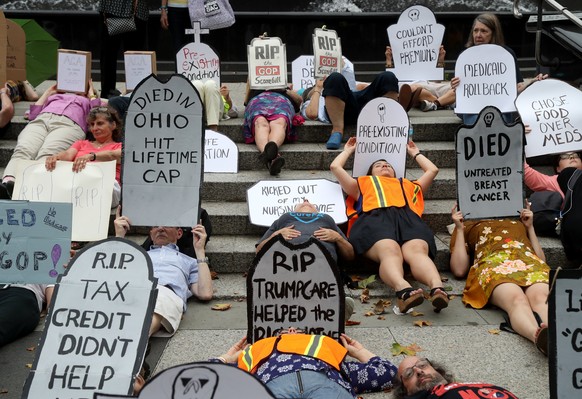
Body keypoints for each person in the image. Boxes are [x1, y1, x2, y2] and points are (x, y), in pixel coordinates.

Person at [330, 137, 448, 313]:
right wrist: (348, 150)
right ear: (370, 173)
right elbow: (335, 167)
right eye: (378, 165)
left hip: (408, 220)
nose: (384, 166)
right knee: (389, 250)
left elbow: (432, 169)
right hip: (375, 220)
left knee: (417, 251)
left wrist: (415, 153)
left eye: (388, 165)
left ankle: (437, 289)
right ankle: (404, 290)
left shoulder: (409, 185)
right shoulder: (362, 184)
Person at [449, 204, 549, 354]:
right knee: (517, 299)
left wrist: (530, 227)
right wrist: (459, 228)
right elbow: (459, 269)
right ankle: (537, 337)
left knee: (541, 297)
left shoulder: (518, 217)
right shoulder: (468, 221)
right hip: (493, 264)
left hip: (528, 261)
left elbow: (541, 259)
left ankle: (555, 336)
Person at [214, 328, 397, 398]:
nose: (292, 329)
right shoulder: (258, 354)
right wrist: (228, 357)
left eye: (299, 330)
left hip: (324, 381)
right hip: (273, 386)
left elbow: (389, 373)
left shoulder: (334, 361)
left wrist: (360, 352)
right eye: (284, 330)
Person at [114, 214, 213, 336]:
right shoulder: (136, 256)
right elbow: (115, 276)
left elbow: (205, 293)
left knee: (159, 302)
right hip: (134, 290)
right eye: (155, 225)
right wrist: (119, 237)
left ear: (179, 233)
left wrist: (200, 250)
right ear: (151, 234)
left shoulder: (189, 261)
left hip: (165, 293)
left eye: (167, 225)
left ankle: (136, 341)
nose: (160, 228)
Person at [0, 82, 102, 199]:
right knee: (23, 150)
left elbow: (98, 116)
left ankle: (31, 188)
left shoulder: (90, 101)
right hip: (41, 121)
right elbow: (32, 115)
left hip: (69, 124)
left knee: (48, 155)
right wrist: (49, 92)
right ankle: (8, 183)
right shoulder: (55, 96)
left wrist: (91, 95)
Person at [450, 13, 546, 125]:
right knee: (476, 120)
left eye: (484, 31)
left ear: (493, 33)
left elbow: (515, 88)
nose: (478, 35)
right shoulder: (464, 56)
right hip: (472, 108)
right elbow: (462, 92)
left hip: (500, 107)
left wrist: (532, 82)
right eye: (475, 31)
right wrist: (456, 85)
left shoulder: (506, 55)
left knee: (502, 116)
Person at [44, 106, 123, 209]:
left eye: (100, 123)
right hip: (78, 184)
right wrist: (56, 157)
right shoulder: (81, 144)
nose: (94, 128)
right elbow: (68, 155)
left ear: (113, 125)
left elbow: (114, 155)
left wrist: (92, 156)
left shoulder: (120, 146)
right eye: (92, 124)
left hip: (107, 185)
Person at [318, 70, 404, 150]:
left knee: (388, 76)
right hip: (344, 109)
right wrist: (317, 89)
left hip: (372, 107)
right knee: (334, 77)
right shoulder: (317, 92)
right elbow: (311, 113)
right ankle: (337, 130)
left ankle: (388, 125)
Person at [256, 199, 354, 263]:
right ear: (293, 211)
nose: (306, 200)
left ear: (317, 211)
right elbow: (258, 251)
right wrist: (275, 236)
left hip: (323, 265)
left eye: (311, 203)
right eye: (301, 203)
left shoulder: (328, 221)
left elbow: (350, 256)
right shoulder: (281, 221)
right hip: (286, 264)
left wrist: (338, 238)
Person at [243, 83, 303, 175]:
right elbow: (246, 102)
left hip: (281, 101)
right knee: (260, 122)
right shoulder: (255, 81)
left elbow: (299, 101)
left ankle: (267, 153)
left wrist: (285, 89)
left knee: (279, 122)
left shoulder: (285, 85)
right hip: (258, 101)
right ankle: (273, 156)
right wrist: (251, 82)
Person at [394, 356, 519, 398]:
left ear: (437, 370)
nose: (418, 370)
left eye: (423, 365)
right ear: (405, 391)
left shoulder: (479, 384)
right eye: (408, 374)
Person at [99, 0, 149, 98]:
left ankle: (136, 91)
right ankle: (108, 92)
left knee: (136, 57)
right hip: (113, 9)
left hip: (136, 10)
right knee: (109, 54)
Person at [385, 46, 457, 112]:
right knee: (417, 90)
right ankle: (444, 102)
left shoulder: (424, 66)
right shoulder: (398, 76)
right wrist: (388, 59)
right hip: (413, 89)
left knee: (458, 88)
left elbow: (437, 80)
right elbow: (389, 78)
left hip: (429, 85)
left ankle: (435, 104)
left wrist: (441, 58)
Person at [160, 0, 192, 68]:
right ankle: (180, 69)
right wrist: (163, 9)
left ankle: (195, 71)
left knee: (194, 41)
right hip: (174, 7)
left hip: (195, 7)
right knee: (177, 42)